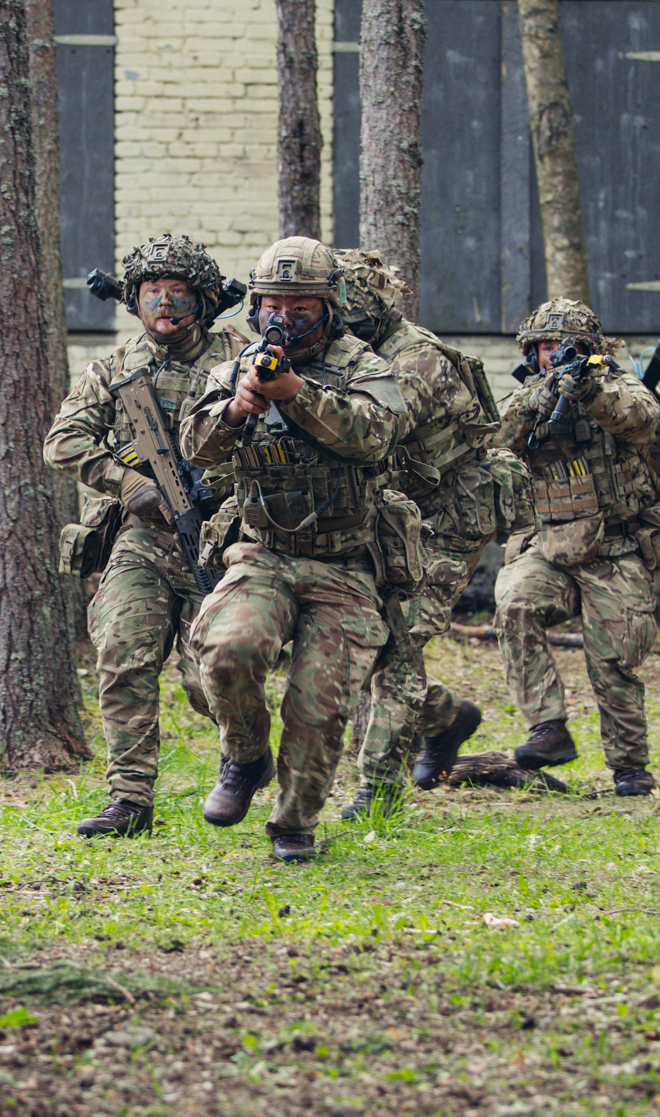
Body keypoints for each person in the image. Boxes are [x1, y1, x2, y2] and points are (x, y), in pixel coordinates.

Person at [179, 238, 407, 864]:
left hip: (346, 562)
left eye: (301, 307)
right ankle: (244, 757)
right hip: (263, 551)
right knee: (227, 650)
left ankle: (295, 823)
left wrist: (294, 396)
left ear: (328, 309)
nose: (283, 318)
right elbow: (194, 449)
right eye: (272, 304)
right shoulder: (234, 367)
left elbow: (375, 437)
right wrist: (234, 410)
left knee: (319, 699)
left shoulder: (364, 365)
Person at [43, 235, 256, 836]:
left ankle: (244, 759)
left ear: (205, 300)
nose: (164, 305)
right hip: (143, 537)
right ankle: (130, 799)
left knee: (209, 677)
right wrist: (124, 481)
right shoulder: (116, 368)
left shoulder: (238, 359)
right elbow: (62, 442)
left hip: (223, 538)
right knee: (121, 652)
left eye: (179, 293)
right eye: (150, 294)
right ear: (133, 302)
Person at [491, 300, 660, 797]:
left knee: (614, 658)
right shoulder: (528, 396)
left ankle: (629, 767)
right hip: (548, 544)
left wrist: (591, 391)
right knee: (515, 604)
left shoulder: (617, 386)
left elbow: (645, 422)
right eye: (546, 348)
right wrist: (540, 397)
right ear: (533, 354)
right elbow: (493, 441)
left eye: (566, 348)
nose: (555, 356)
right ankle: (547, 728)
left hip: (615, 548)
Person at [333, 249, 496, 819]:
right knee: (369, 644)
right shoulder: (347, 355)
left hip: (449, 520)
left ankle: (379, 790)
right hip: (390, 522)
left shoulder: (418, 357)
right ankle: (447, 717)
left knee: (395, 642)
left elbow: (372, 429)